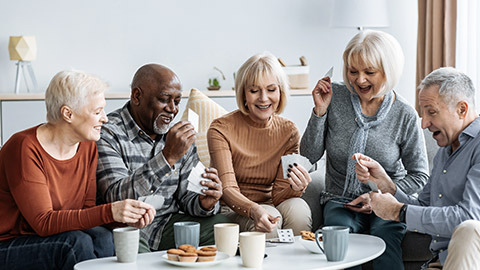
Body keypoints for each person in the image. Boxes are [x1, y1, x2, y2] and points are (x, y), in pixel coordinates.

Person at [0, 70, 155, 270]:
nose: (105, 119)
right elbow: (43, 222)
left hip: (53, 237)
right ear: (68, 114)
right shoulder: (24, 147)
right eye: (97, 112)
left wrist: (125, 218)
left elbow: (86, 213)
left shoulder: (87, 146)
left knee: (104, 238)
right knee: (74, 244)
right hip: (8, 243)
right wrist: (111, 211)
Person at [300, 30, 429, 270]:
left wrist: (380, 196)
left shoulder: (404, 114)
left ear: (388, 71)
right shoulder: (334, 96)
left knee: (385, 243)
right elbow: (308, 156)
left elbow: (420, 176)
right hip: (340, 201)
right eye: (353, 71)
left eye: (369, 72)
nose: (359, 80)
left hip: (388, 201)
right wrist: (319, 111)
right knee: (339, 248)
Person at [96, 63, 230, 252]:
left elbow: (186, 198)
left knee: (223, 225)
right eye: (164, 99)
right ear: (137, 96)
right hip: (126, 228)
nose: (173, 109)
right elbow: (115, 197)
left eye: (177, 101)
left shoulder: (178, 136)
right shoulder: (108, 133)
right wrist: (167, 157)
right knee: (132, 247)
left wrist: (204, 202)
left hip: (166, 224)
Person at [355, 67, 480, 270]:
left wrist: (398, 211)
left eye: (431, 112)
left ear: (462, 109)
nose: (424, 123)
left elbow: (468, 217)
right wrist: (386, 185)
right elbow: (423, 206)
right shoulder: (445, 151)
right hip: (440, 262)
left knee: (469, 229)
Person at [207, 52, 312, 239]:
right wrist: (255, 210)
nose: (264, 98)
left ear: (280, 92)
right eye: (254, 91)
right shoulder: (221, 129)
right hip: (232, 209)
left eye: (271, 90)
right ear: (243, 94)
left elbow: (280, 195)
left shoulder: (289, 131)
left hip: (270, 205)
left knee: (299, 209)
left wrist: (296, 188)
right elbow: (228, 189)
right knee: (272, 221)